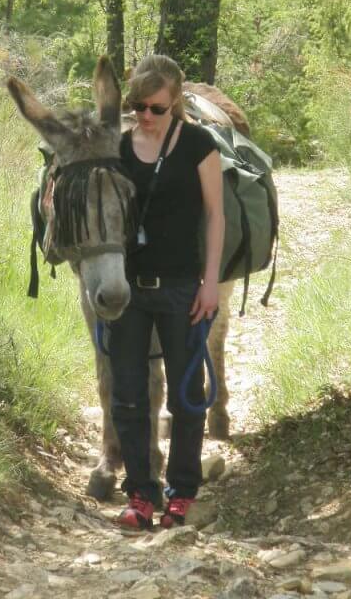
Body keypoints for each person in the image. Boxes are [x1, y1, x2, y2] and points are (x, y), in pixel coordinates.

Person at [110, 54, 225, 530]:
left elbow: (215, 215)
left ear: (174, 102)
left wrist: (211, 282)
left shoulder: (198, 144)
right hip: (129, 291)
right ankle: (140, 492)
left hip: (182, 288)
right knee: (128, 395)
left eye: (156, 108)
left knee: (185, 395)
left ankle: (181, 492)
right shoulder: (119, 147)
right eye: (138, 105)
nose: (146, 116)